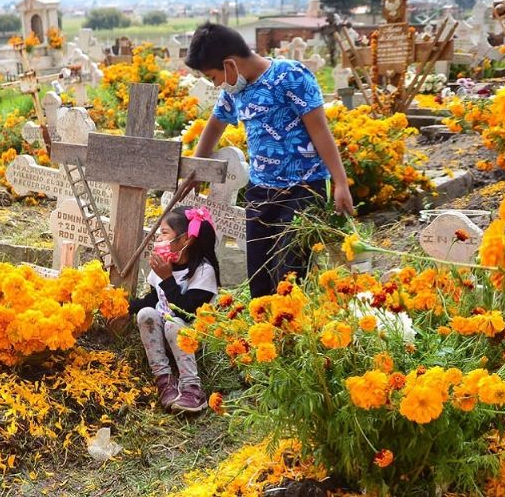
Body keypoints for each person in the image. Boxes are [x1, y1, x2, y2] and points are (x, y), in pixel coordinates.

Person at [185, 23, 354, 298]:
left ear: (230, 65)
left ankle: (290, 334)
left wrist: (341, 183)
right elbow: (214, 126)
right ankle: (266, 335)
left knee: (289, 274)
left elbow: (320, 130)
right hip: (260, 192)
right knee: (259, 277)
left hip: (303, 190)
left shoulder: (291, 76)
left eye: (213, 76)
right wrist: (195, 169)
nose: (216, 84)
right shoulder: (234, 92)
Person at [131, 206, 220, 413]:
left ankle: (192, 387)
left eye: (164, 233)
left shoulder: (203, 271)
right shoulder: (165, 266)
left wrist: (167, 279)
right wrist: (125, 308)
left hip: (191, 334)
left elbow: (185, 311)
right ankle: (164, 379)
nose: (158, 240)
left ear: (185, 239)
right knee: (146, 314)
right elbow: (153, 299)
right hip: (167, 329)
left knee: (173, 323)